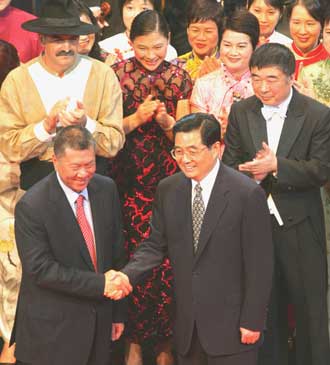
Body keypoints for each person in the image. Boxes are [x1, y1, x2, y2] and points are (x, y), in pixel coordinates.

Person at [107, 112, 273, 365]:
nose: (184, 160)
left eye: (193, 151)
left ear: (216, 148)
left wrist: (252, 321)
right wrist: (127, 275)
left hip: (234, 329)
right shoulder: (168, 189)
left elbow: (260, 264)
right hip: (187, 328)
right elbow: (154, 245)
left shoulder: (246, 193)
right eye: (178, 152)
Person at [222, 43, 330, 365]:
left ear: (291, 77)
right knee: (266, 311)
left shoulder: (317, 114)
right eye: (256, 79)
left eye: (271, 79)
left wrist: (277, 166)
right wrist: (250, 176)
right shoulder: (242, 111)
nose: (263, 88)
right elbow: (229, 165)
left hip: (301, 227)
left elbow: (321, 169)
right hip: (256, 227)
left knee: (311, 312)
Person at [109, 9, 192, 365]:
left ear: (169, 41)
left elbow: (186, 136)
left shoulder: (181, 77)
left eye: (157, 46)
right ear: (131, 43)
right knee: (133, 265)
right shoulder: (115, 75)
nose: (150, 55)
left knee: (169, 269)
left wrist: (165, 121)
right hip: (128, 186)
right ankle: (133, 344)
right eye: (142, 47)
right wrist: (136, 118)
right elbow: (109, 134)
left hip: (169, 184)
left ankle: (166, 347)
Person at [12, 125, 130, 365]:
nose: (83, 174)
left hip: (99, 323)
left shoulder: (106, 189)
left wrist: (118, 313)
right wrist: (101, 284)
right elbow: (41, 270)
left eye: (90, 164)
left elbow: (117, 252)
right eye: (75, 167)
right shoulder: (32, 205)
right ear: (55, 161)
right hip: (52, 333)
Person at [0, 0, 124, 191]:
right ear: (42, 39)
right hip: (37, 183)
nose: (67, 46)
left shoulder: (102, 75)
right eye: (58, 39)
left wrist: (85, 124)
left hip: (92, 181)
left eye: (72, 39)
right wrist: (45, 128)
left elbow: (115, 142)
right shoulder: (18, 80)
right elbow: (8, 145)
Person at [190, 9, 257, 138]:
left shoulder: (264, 86)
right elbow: (198, 136)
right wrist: (219, 133)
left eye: (241, 46)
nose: (233, 52)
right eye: (227, 45)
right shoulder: (205, 84)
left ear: (254, 47)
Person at [0, 39, 22, 365]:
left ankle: (11, 348)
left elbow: (18, 167)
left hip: (10, 209)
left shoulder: (19, 111)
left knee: (13, 283)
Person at [99, 0, 177, 65]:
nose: (136, 14)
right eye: (130, 8)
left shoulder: (168, 52)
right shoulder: (106, 47)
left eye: (143, 8)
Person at [175, 0, 223, 83]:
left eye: (208, 31)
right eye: (195, 30)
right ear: (187, 31)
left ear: (219, 32)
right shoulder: (175, 66)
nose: (201, 37)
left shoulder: (229, 66)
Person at [287, 0, 328, 79]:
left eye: (310, 24)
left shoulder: (328, 57)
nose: (303, 31)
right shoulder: (277, 55)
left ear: (322, 25)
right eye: (296, 23)